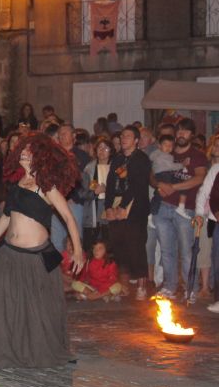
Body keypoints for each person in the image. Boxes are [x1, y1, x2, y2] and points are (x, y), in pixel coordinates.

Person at [0, 132, 84, 370]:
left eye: (29, 150)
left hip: (36, 257)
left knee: (38, 311)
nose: (23, 152)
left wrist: (79, 251)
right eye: (23, 149)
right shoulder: (18, 183)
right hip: (9, 254)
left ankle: (50, 350)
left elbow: (69, 219)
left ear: (39, 156)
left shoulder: (46, 185)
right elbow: (7, 216)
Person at [152, 118, 208, 302]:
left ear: (192, 134)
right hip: (163, 207)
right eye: (179, 131)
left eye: (185, 131)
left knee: (186, 251)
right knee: (167, 250)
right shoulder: (167, 150)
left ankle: (190, 288)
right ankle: (170, 286)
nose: (181, 134)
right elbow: (151, 172)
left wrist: (173, 187)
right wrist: (159, 183)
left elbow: (199, 178)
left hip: (186, 209)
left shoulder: (197, 155)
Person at [105, 126, 151, 301]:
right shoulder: (117, 159)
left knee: (136, 246)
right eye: (122, 136)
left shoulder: (141, 159)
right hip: (117, 206)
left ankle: (141, 287)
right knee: (119, 246)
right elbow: (110, 183)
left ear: (136, 140)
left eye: (128, 136)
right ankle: (123, 286)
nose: (124, 138)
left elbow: (137, 185)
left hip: (135, 209)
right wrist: (109, 206)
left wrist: (123, 206)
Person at [51, 124, 90, 249]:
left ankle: (75, 266)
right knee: (56, 240)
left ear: (73, 136)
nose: (61, 136)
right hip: (56, 202)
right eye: (60, 134)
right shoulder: (53, 155)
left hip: (73, 203)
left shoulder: (82, 156)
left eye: (65, 133)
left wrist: (76, 198)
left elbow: (86, 181)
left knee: (75, 239)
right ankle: (58, 268)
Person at [195, 135, 219, 312]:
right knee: (216, 260)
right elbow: (206, 193)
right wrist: (198, 214)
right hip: (215, 219)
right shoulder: (215, 169)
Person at [82, 137, 113, 251]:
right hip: (93, 213)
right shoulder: (89, 168)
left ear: (111, 150)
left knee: (110, 247)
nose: (102, 150)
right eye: (100, 148)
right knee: (91, 247)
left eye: (106, 148)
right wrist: (94, 192)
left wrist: (108, 189)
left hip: (111, 212)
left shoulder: (117, 167)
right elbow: (82, 193)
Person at [149, 135, 189, 219]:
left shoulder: (159, 154)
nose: (168, 147)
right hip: (163, 175)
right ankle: (151, 213)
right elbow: (170, 166)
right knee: (159, 195)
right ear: (159, 146)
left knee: (183, 184)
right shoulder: (162, 155)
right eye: (165, 145)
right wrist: (182, 165)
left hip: (164, 174)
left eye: (170, 145)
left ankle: (181, 207)